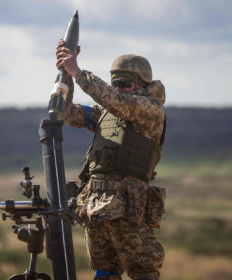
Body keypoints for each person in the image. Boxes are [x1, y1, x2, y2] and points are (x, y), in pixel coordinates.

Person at [55, 39, 166, 280]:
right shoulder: (107, 113)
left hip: (128, 211)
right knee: (103, 273)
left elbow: (118, 103)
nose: (116, 88)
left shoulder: (151, 110)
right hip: (96, 210)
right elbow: (66, 112)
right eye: (114, 83)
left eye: (123, 84)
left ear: (142, 85)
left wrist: (79, 71)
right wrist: (65, 74)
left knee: (143, 273)